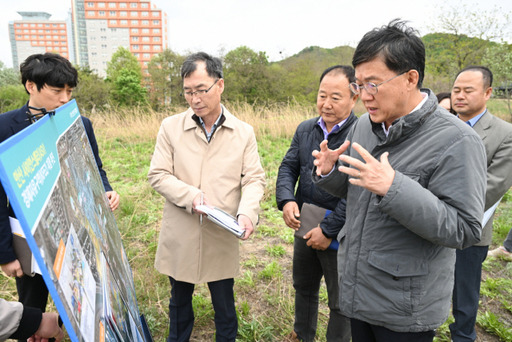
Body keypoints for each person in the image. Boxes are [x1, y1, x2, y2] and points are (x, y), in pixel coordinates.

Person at [311, 20, 487, 342]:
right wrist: (329, 172)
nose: (364, 96)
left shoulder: (457, 140)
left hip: (406, 306)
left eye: (373, 84)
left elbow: (465, 228)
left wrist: (394, 188)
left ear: (410, 78)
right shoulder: (365, 125)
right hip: (358, 290)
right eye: (359, 85)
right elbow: (358, 191)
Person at [0, 53, 120, 340]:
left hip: (77, 229)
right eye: (57, 91)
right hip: (29, 236)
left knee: (89, 298)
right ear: (31, 86)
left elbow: (95, 168)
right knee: (31, 311)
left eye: (69, 91)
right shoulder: (5, 128)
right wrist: (5, 254)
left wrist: (105, 189)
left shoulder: (80, 123)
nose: (66, 98)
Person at [147, 52, 266, 342]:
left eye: (202, 90)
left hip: (221, 230)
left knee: (224, 303)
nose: (195, 98)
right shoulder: (170, 127)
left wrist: (247, 212)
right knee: (179, 302)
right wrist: (191, 196)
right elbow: (158, 174)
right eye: (188, 92)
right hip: (182, 228)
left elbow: (254, 178)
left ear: (220, 85)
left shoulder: (243, 132)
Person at [276, 65, 357, 342]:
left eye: (336, 97)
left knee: (340, 300)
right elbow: (288, 167)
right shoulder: (306, 128)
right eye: (323, 95)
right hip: (306, 221)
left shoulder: (361, 135)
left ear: (354, 98)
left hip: (342, 232)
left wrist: (329, 229)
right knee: (304, 286)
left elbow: (358, 193)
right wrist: (287, 200)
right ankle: (301, 335)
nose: (327, 103)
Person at [449, 66, 512, 342]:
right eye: (456, 90)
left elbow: (493, 185)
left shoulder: (504, 133)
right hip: (425, 223)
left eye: (468, 90)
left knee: (464, 291)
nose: (459, 96)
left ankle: (463, 336)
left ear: (487, 93)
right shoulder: (440, 123)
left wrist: (439, 205)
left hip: (469, 228)